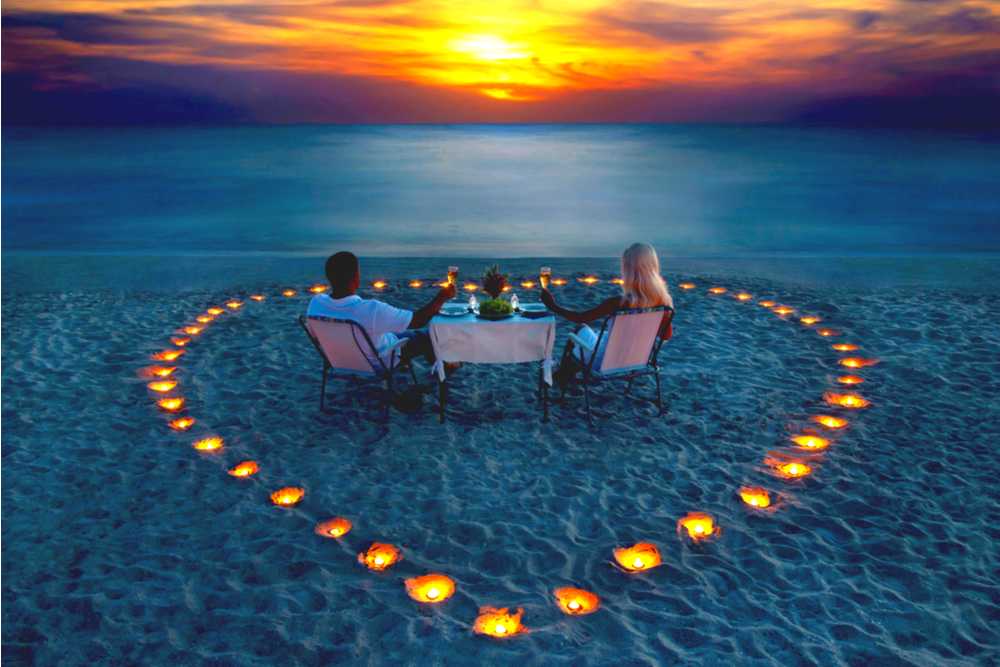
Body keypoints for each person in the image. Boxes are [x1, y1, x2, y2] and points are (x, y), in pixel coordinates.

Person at [540, 243, 674, 387]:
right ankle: (563, 374)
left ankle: (562, 376)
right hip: (638, 360)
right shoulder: (664, 303)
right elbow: (666, 336)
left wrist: (553, 306)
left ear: (628, 270)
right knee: (590, 333)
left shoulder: (619, 303)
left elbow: (580, 317)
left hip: (605, 362)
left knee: (579, 330)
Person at [307, 251, 456, 369]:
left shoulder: (316, 303)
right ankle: (443, 367)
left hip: (339, 361)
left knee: (389, 330)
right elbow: (418, 321)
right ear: (355, 278)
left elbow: (315, 336)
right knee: (427, 335)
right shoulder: (370, 310)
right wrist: (441, 297)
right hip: (380, 361)